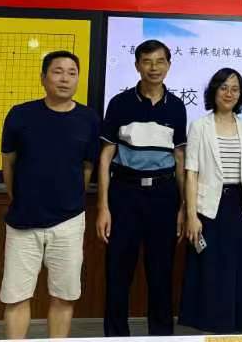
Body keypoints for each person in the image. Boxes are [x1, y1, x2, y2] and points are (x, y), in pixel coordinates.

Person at [0, 50, 99, 339]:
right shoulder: (20, 114)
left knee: (64, 297)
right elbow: (8, 163)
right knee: (16, 297)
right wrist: (19, 198)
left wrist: (70, 199)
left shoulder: (88, 118)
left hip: (69, 221)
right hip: (23, 221)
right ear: (43, 78)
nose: (65, 78)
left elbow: (87, 168)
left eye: (71, 73)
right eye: (57, 71)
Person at [97, 39, 187, 336]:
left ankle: (160, 336)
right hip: (124, 194)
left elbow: (180, 158)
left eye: (160, 61)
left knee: (161, 273)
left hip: (164, 196)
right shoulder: (120, 103)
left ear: (169, 65)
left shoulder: (177, 107)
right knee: (118, 272)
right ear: (137, 65)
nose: (154, 68)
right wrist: (103, 207)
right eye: (147, 61)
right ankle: (115, 337)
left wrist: (183, 207)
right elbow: (106, 155)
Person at [179, 68, 242, 333]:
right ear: (214, 91)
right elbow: (191, 173)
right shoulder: (200, 126)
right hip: (209, 208)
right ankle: (211, 328)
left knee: (239, 269)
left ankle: (235, 329)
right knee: (211, 269)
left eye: (235, 89)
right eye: (224, 87)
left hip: (240, 206)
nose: (229, 93)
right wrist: (192, 215)